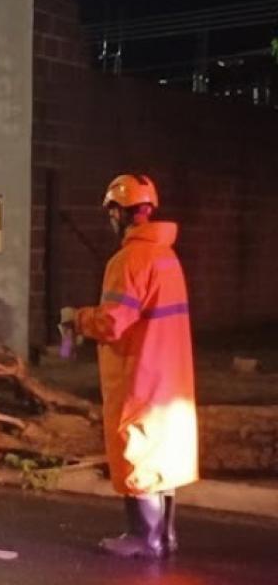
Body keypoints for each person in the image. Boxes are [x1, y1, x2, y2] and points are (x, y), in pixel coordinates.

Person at [60, 174, 198, 559]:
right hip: (171, 376)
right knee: (162, 457)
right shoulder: (167, 256)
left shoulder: (129, 260)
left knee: (137, 451)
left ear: (119, 213)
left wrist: (78, 319)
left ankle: (144, 538)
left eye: (112, 212)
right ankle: (165, 537)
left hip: (140, 372)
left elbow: (113, 322)